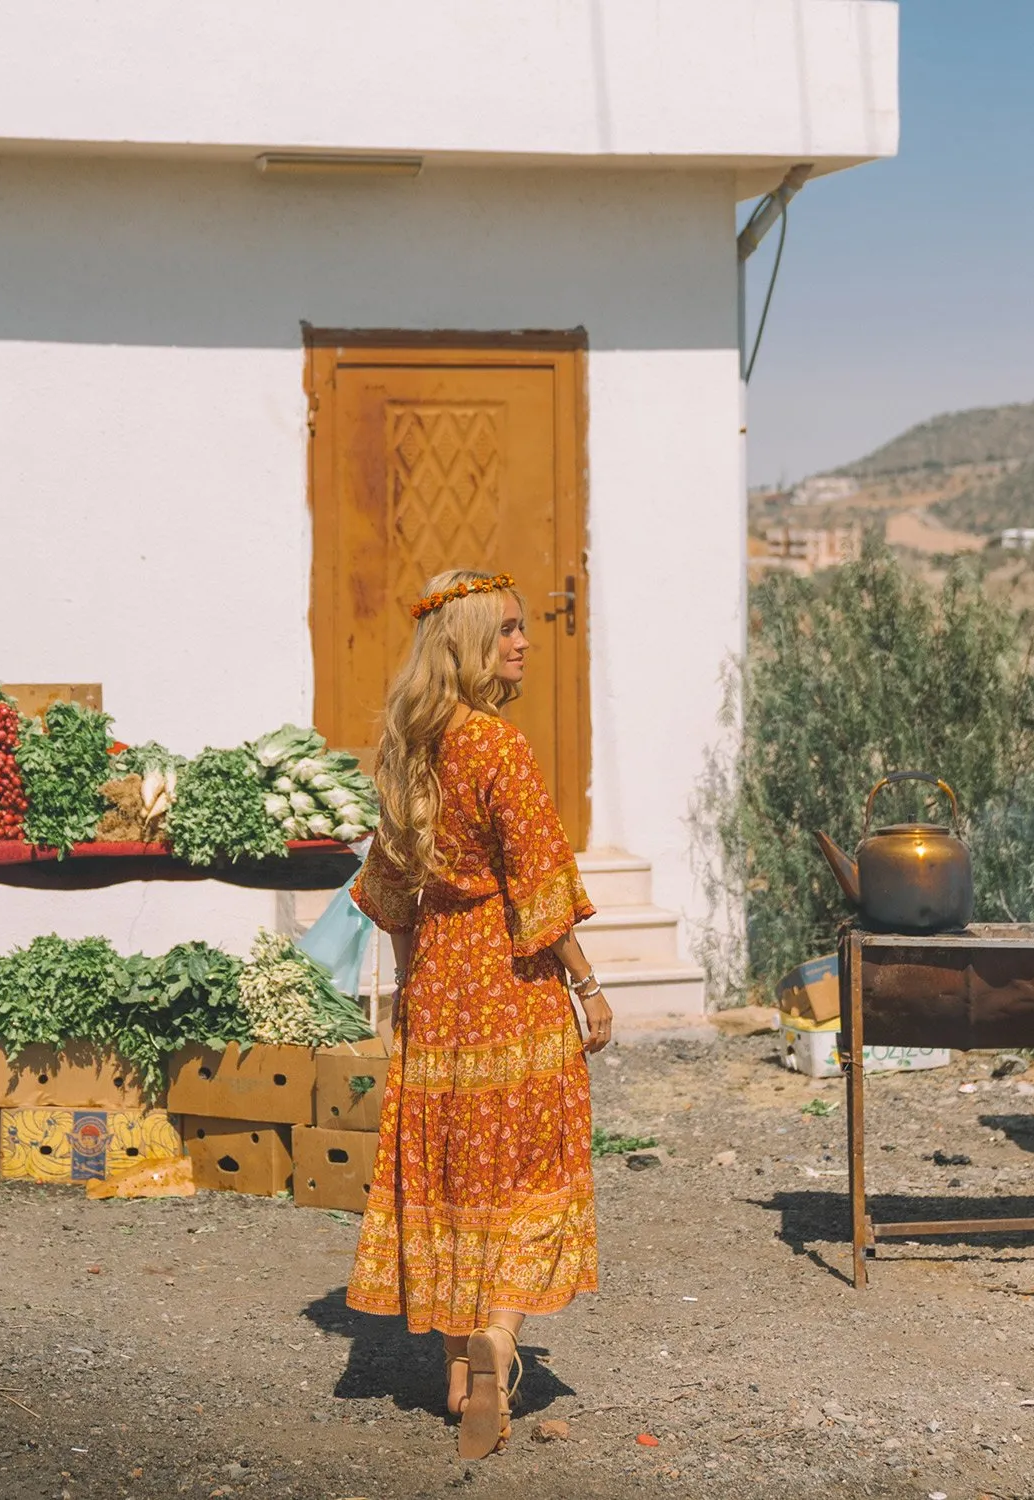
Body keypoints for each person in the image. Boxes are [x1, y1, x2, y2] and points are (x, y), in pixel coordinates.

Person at [346, 568, 612, 1460]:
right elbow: (539, 881)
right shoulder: (498, 749)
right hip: (511, 982)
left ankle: (460, 1375)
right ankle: (499, 1338)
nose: (523, 642)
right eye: (506, 630)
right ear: (465, 643)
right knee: (525, 1169)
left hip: (443, 987)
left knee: (455, 1170)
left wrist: (409, 998)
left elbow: (392, 895)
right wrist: (586, 982)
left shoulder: (406, 750)